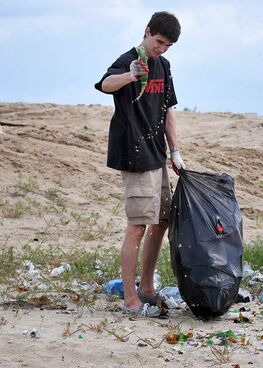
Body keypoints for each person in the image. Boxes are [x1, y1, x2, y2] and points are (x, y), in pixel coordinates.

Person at [95, 11, 185, 317]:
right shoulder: (128, 59)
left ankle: (147, 288)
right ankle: (130, 298)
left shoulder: (164, 65)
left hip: (157, 154)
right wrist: (131, 75)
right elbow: (106, 84)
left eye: (167, 45)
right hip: (133, 153)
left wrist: (175, 151)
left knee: (161, 221)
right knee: (137, 227)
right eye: (159, 41)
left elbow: (168, 109)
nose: (161, 49)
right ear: (147, 32)